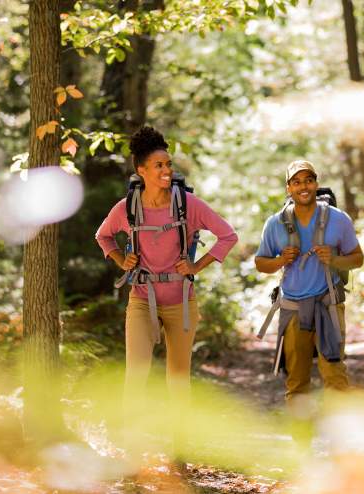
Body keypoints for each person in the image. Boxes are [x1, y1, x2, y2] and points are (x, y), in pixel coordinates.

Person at [95, 125, 238, 438]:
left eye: (169, 164)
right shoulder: (126, 209)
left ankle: (180, 446)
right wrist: (122, 259)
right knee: (136, 374)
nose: (166, 170)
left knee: (178, 378)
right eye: (159, 165)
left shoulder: (188, 205)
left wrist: (196, 266)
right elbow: (103, 236)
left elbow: (228, 235)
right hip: (142, 299)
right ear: (141, 169)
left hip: (181, 301)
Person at [254, 160, 364, 404]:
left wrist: (334, 259)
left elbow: (358, 258)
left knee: (335, 375)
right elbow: (261, 262)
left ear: (316, 184)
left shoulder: (339, 219)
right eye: (296, 182)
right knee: (296, 380)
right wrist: (281, 260)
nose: (303, 186)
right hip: (293, 308)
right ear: (288, 188)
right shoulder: (275, 223)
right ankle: (300, 441)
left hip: (329, 304)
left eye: (308, 180)